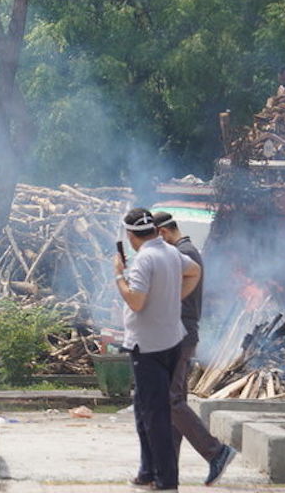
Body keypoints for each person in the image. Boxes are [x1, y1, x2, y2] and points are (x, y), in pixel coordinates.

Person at [113, 208, 201, 492]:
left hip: (148, 347)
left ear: (130, 236)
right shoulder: (171, 252)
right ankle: (147, 471)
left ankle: (165, 480)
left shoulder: (143, 260)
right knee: (144, 411)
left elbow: (136, 302)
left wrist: (119, 277)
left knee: (156, 416)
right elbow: (194, 272)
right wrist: (172, 298)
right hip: (170, 341)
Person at [153, 211, 236, 486]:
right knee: (174, 402)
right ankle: (166, 469)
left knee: (170, 400)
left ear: (163, 233)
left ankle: (216, 451)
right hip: (179, 334)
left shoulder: (183, 254)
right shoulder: (185, 252)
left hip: (179, 335)